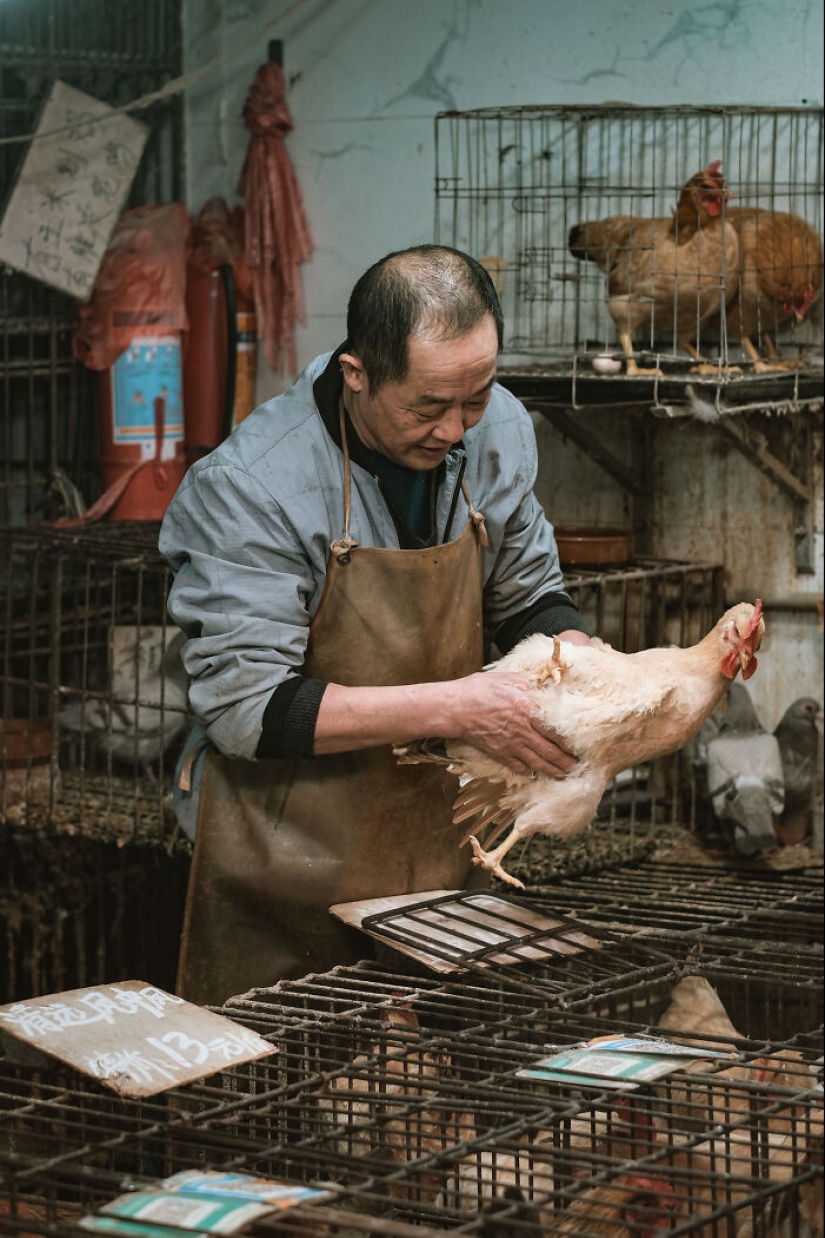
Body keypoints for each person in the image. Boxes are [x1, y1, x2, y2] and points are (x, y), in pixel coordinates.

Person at [159, 244, 591, 1006]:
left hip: (427, 836)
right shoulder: (252, 486)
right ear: (357, 373)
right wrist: (459, 707)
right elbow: (245, 710)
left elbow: (528, 596)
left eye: (476, 397)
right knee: (285, 1080)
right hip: (282, 852)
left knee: (421, 1079)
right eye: (426, 407)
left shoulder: (499, 429)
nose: (456, 429)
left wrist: (581, 666)